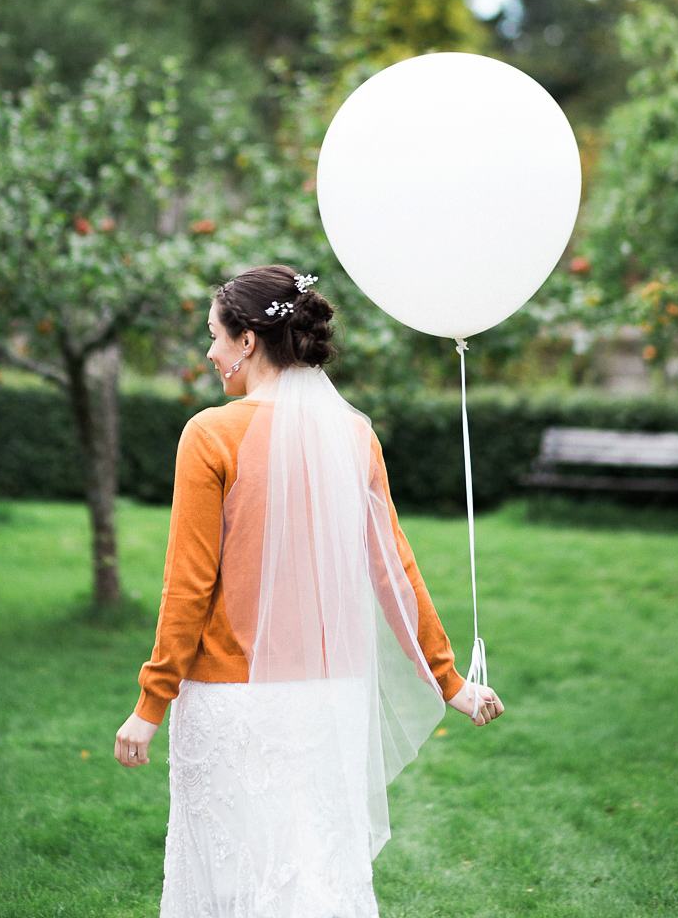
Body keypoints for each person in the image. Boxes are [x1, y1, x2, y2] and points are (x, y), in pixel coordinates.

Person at [114, 265, 503, 918]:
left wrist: (150, 706)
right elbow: (395, 572)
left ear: (246, 341)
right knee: (316, 878)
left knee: (235, 883)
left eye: (212, 335)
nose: (208, 352)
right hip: (329, 702)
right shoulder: (353, 436)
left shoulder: (209, 435)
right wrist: (449, 681)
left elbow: (188, 589)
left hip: (231, 705)